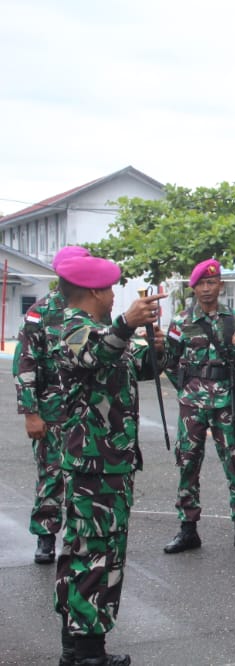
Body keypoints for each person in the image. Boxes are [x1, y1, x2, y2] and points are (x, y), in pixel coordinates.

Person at [51, 254, 165, 666]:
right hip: (93, 466)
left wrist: (157, 346)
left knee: (93, 552)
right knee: (93, 556)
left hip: (109, 463)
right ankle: (88, 653)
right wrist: (126, 324)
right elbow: (93, 356)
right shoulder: (71, 328)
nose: (115, 295)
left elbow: (134, 364)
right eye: (111, 289)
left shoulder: (99, 331)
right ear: (96, 291)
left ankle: (76, 648)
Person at [162, 258, 235, 554]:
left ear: (221, 285)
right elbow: (168, 361)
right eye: (201, 284)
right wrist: (188, 387)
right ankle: (187, 529)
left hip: (226, 403)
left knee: (234, 464)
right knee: (188, 463)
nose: (206, 289)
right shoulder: (181, 321)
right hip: (192, 404)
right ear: (193, 288)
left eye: (211, 283)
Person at [13, 245, 89, 564]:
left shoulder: (95, 309)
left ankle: (81, 537)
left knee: (86, 474)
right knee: (51, 473)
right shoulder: (40, 312)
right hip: (51, 408)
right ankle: (46, 536)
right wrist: (31, 413)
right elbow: (25, 364)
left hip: (87, 409)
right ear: (59, 274)